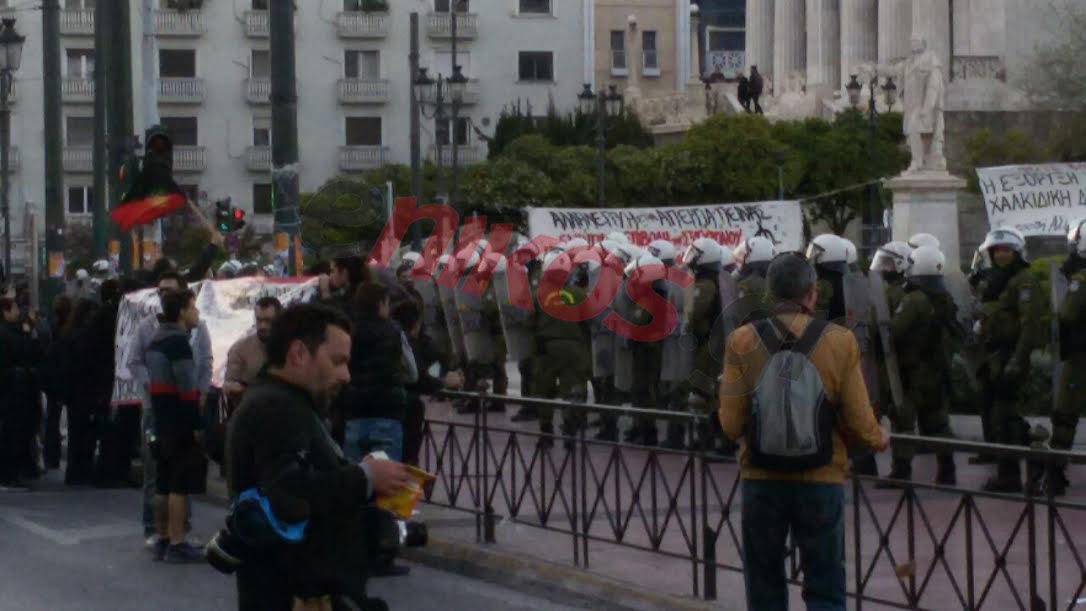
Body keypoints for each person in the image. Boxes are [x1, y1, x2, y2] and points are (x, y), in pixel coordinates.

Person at [719, 253, 889, 611]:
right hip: (821, 476)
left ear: (769, 293)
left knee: (764, 581)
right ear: (812, 293)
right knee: (825, 582)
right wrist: (879, 439)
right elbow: (859, 420)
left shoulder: (741, 341)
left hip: (761, 478)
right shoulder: (839, 341)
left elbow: (731, 425)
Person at [225, 303, 412, 610]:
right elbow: (289, 492)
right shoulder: (276, 407)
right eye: (337, 361)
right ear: (298, 354)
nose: (346, 375)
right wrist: (366, 478)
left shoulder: (286, 401)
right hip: (296, 594)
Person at [876, 246, 959, 487]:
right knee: (938, 422)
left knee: (903, 420)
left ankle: (901, 472)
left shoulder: (914, 299)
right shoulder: (943, 297)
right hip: (935, 368)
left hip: (913, 369)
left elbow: (895, 331)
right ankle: (947, 471)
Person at [972, 228, 1045, 493]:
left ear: (1016, 253)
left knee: (1006, 415)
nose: (1001, 255)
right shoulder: (996, 282)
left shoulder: (1024, 281)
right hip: (994, 355)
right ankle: (1035, 460)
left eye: (1006, 250)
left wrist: (1018, 359)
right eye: (997, 251)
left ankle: (1012, 474)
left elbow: (1029, 326)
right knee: (1003, 416)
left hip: (1011, 353)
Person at [146, 289, 207, 563]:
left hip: (159, 417)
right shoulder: (178, 344)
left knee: (163, 481)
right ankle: (178, 541)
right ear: (182, 311)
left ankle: (162, 538)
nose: (197, 313)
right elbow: (187, 389)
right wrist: (196, 423)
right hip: (178, 421)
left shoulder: (156, 340)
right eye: (193, 308)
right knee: (178, 484)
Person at [338, 283, 410, 462]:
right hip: (387, 412)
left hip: (355, 412)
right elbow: (412, 371)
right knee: (387, 484)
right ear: (381, 304)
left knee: (356, 480)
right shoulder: (394, 330)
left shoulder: (347, 331)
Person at [1049, 219, 1086, 496]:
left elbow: (1067, 313)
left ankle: (1056, 472)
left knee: (1065, 413)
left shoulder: (1081, 279)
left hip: (1080, 358)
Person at [0, 296, 44, 491]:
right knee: (12, 433)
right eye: (15, 308)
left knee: (16, 432)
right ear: (5, 312)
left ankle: (12, 473)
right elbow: (25, 352)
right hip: (12, 392)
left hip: (18, 390)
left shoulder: (13, 331)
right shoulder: (8, 333)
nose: (18, 312)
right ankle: (8, 475)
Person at [223, 296, 283, 406]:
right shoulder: (240, 349)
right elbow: (228, 384)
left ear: (279, 319)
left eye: (268, 320)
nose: (263, 326)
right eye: (259, 320)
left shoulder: (292, 348)